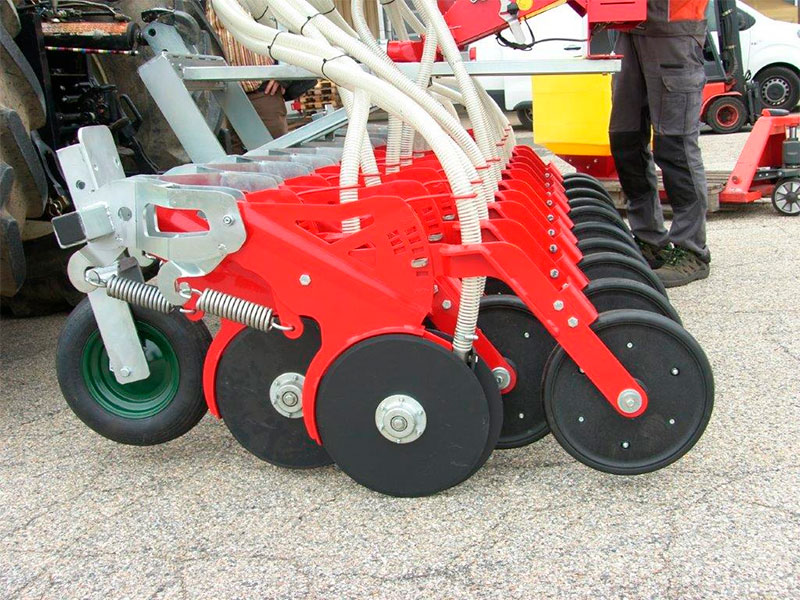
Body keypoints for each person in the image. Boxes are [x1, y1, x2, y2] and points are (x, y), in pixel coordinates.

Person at [609, 0, 711, 287]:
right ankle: (649, 240)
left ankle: (692, 250)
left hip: (673, 32)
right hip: (628, 29)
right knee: (625, 140)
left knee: (675, 146)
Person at [206, 4, 289, 142]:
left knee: (274, 148)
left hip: (263, 92)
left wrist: (284, 73)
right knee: (231, 151)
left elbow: (288, 26)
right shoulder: (205, 3)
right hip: (223, 95)